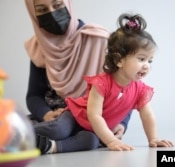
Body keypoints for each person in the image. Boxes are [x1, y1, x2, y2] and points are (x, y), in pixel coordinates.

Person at [34, 12, 174, 154]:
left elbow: (147, 115)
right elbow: (94, 115)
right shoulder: (102, 83)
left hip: (93, 129)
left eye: (150, 61)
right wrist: (111, 140)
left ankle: (49, 147)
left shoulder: (140, 89)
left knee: (92, 141)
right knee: (59, 130)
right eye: (141, 59)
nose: (147, 66)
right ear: (119, 60)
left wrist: (153, 139)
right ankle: (18, 132)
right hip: (76, 117)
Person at [24, 0, 131, 153]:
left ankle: (40, 143)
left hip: (94, 117)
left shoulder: (99, 39)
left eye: (57, 5)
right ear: (34, 15)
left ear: (68, 4)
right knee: (59, 129)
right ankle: (12, 135)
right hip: (57, 118)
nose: (52, 13)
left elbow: (125, 87)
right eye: (42, 9)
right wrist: (46, 114)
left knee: (92, 140)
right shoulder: (39, 47)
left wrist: (122, 124)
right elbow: (34, 96)